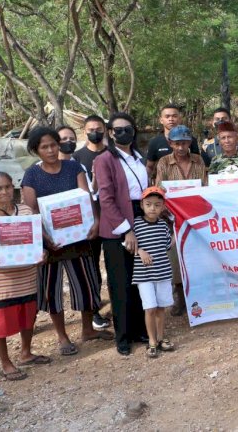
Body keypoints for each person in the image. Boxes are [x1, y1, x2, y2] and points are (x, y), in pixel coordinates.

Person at [21, 127, 111, 356]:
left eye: (53, 144)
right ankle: (62, 336)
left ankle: (87, 329)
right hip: (50, 243)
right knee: (51, 290)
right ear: (36, 150)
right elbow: (30, 211)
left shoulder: (72, 167)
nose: (51, 150)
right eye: (44, 147)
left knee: (87, 284)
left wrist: (96, 221)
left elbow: (86, 197)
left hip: (79, 239)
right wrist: (44, 238)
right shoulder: (31, 175)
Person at [0, 172, 50, 380]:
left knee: (27, 316)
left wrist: (42, 253)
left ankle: (26, 353)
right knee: (0, 322)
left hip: (25, 276)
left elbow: (36, 242)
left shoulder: (25, 211)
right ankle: (6, 363)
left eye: (7, 187)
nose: (4, 191)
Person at [94, 112, 149, 356]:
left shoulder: (139, 158)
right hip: (118, 228)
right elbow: (105, 198)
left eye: (128, 128)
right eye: (118, 129)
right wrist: (126, 230)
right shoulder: (104, 160)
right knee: (121, 283)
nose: (124, 132)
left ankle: (139, 330)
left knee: (139, 281)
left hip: (141, 218)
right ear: (110, 133)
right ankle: (123, 336)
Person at [155, 125, 206, 316]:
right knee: (175, 259)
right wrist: (172, 212)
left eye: (184, 142)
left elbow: (204, 187)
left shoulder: (199, 160)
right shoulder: (163, 163)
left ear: (190, 142)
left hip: (195, 217)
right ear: (170, 143)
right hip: (172, 219)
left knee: (197, 259)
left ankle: (199, 295)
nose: (181, 147)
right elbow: (160, 190)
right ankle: (179, 297)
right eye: (177, 143)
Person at [66, 121, 112, 330]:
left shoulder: (114, 153)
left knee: (114, 267)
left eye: (98, 129)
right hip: (90, 224)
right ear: (84, 132)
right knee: (92, 268)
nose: (95, 133)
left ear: (105, 130)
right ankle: (94, 311)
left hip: (113, 221)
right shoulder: (77, 159)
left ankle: (118, 307)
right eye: (90, 130)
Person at [132, 187, 176, 358]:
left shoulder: (163, 225)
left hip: (163, 273)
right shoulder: (136, 224)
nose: (152, 208)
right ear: (142, 205)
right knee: (149, 308)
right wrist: (140, 251)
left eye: (157, 205)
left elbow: (167, 245)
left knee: (160, 308)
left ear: (163, 207)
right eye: (148, 204)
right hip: (144, 275)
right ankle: (151, 341)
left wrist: (178, 232)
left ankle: (161, 338)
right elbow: (128, 244)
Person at [145, 104, 201, 180]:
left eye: (174, 116)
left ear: (180, 119)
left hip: (189, 184)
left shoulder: (191, 140)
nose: (171, 119)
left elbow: (197, 163)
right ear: (161, 120)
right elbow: (149, 166)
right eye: (167, 116)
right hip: (164, 186)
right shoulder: (154, 142)